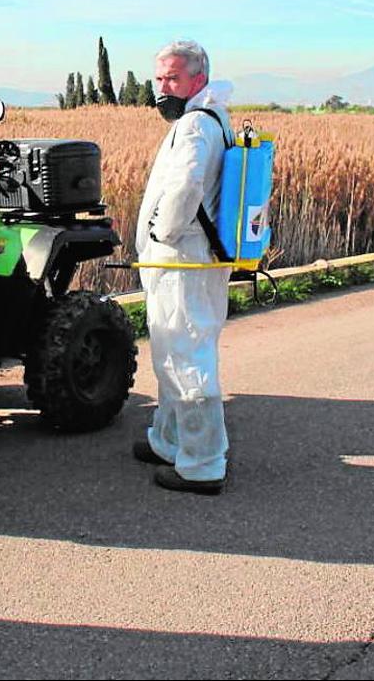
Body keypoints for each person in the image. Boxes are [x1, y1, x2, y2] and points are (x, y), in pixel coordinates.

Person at [132, 39, 234, 495]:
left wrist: (161, 236)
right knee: (173, 350)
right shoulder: (212, 117)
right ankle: (169, 440)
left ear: (198, 79)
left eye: (172, 78)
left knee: (187, 356)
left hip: (183, 260)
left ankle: (202, 463)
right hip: (192, 260)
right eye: (159, 78)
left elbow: (186, 187)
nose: (162, 88)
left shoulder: (195, 126)